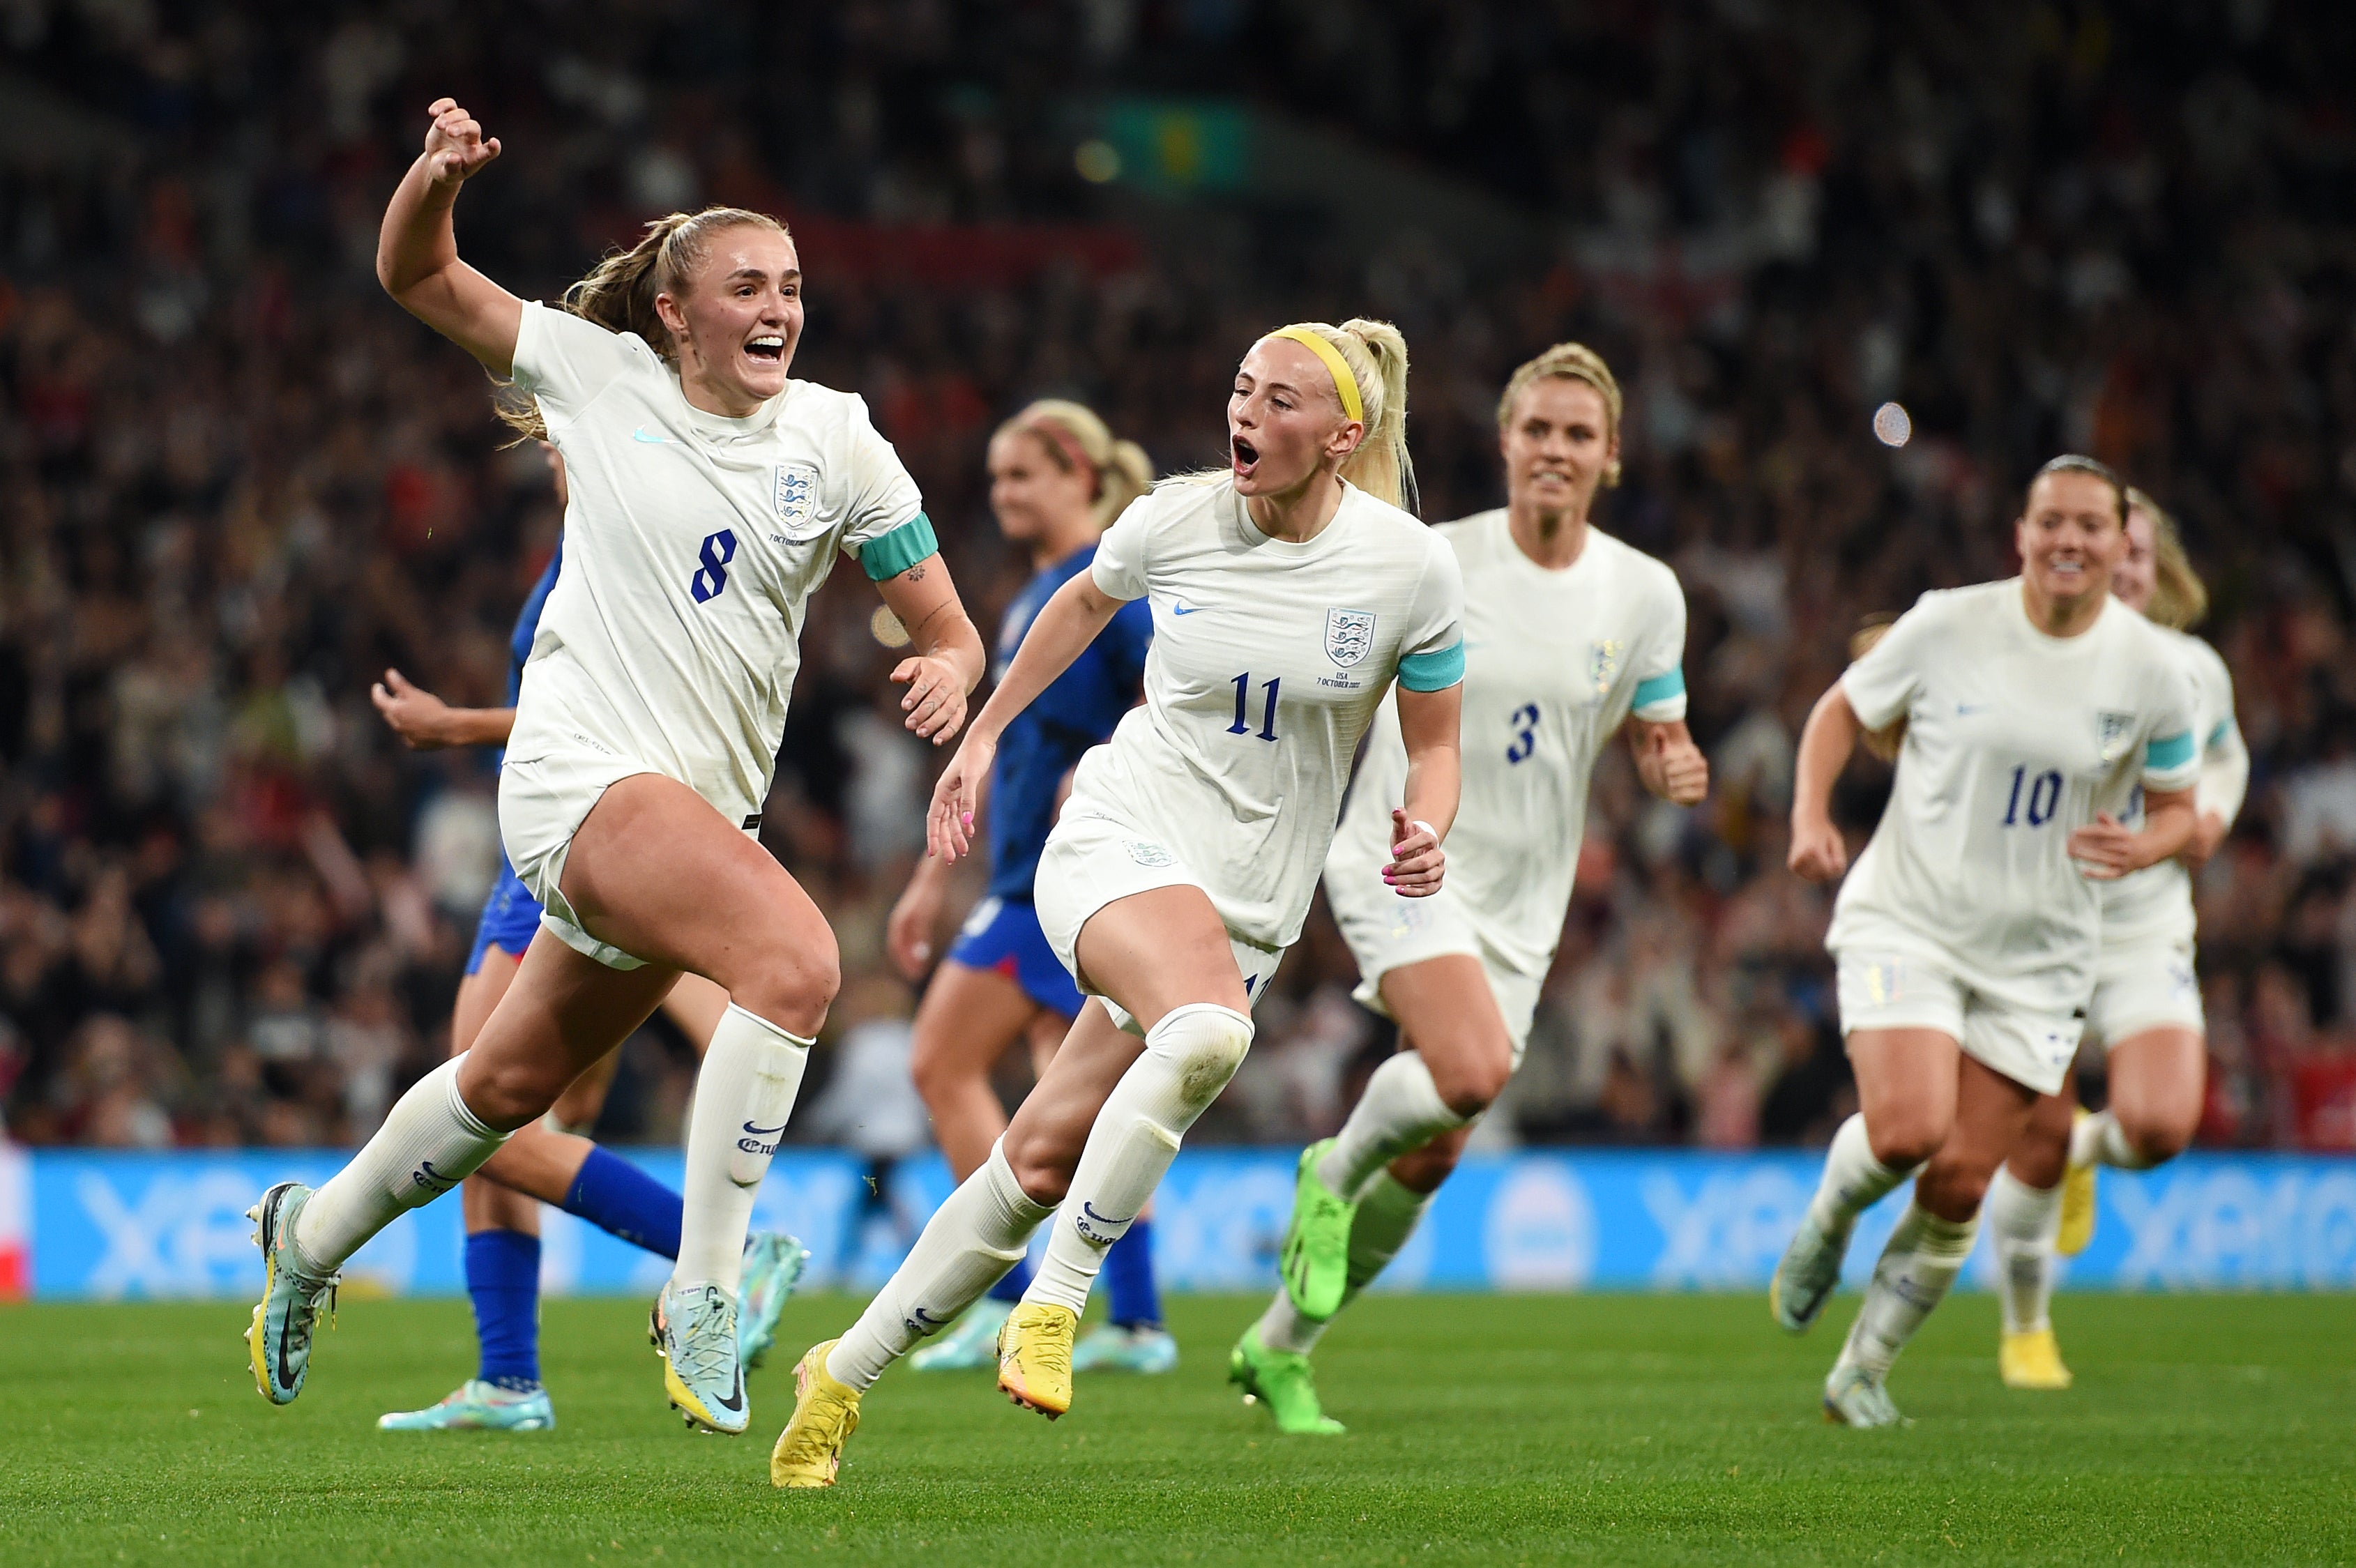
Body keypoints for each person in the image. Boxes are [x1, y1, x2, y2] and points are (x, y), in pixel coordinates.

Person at [244, 98, 985, 1439]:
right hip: (582, 780)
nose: (779, 308)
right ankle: (705, 1290)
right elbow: (414, 275)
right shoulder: (595, 375)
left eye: (794, 287)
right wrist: (433, 181)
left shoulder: (840, 438)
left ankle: (311, 1235)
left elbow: (939, 612)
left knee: (498, 1093)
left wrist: (952, 659)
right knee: (801, 961)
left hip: (691, 814)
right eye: (746, 286)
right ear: (675, 314)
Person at [770, 317, 1466, 1487]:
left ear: (1345, 436)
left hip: (1251, 905)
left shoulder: (1409, 568)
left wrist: (1426, 825)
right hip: (1118, 835)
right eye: (1242, 389)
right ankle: (1057, 1302)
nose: (1248, 413)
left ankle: (839, 1373)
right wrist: (982, 741)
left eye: (1283, 400)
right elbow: (1080, 607)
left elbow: (1436, 744)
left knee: (1035, 1158)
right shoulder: (1175, 519)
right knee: (1206, 1031)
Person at [1231, 342, 1709, 1434]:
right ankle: (1330, 1165)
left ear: (1612, 456)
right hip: (1401, 852)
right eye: (1537, 428)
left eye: (1578, 434)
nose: (1555, 449)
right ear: (1505, 441)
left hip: (1523, 902)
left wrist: (1673, 761)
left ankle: (1279, 1347)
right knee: (1471, 1065)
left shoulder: (1645, 592)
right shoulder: (1432, 560)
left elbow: (1659, 727)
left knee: (1442, 1141)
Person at [367, 446, 806, 1434]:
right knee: (505, 1126)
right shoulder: (593, 541)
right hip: (554, 849)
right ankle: (510, 1378)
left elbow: (602, 713)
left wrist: (453, 727)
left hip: (580, 849)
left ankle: (726, 1257)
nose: (559, 449)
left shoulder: (628, 543)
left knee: (483, 1121)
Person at [1768, 455, 2202, 1427]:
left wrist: (2146, 843)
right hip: (1913, 919)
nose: (2070, 541)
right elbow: (1842, 709)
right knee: (1908, 1131)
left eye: (2092, 526)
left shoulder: (2154, 671)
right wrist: (1810, 814)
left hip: (2042, 956)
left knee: (1961, 1175)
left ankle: (1861, 1371)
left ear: (2119, 541)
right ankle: (1829, 1221)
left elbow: (2182, 807)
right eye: (2052, 521)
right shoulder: (1948, 622)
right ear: (2022, 531)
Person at [883, 402, 1173, 1376]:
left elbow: (1169, 693)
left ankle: (1001, 1290)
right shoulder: (1037, 595)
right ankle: (1134, 1318)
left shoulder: (1108, 589)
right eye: (998, 478)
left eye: (1022, 475)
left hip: (1060, 878)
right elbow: (999, 753)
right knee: (1086, 1103)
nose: (1003, 493)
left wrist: (1103, 771)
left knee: (942, 1062)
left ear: (1078, 474)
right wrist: (933, 874)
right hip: (1022, 874)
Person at [1982, 488, 2244, 1390]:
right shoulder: (2028, 657)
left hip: (2142, 927)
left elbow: (2226, 757)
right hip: (2038, 925)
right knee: (2035, 1134)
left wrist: (2208, 814)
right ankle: (2027, 1329)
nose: (2120, 564)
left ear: (2153, 569)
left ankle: (2091, 1147)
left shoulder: (2193, 670)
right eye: (2105, 545)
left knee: (2163, 1125)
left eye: (2136, 552)